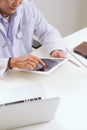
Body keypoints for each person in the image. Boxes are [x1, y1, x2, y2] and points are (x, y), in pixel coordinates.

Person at [0, 0, 66, 78]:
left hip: (26, 73)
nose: (17, 3)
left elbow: (47, 31)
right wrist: (10, 62)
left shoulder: (27, 7)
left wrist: (55, 49)